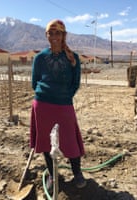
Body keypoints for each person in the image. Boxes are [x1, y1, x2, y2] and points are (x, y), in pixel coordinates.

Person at [29, 19, 87, 191]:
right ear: (47, 35)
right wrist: (45, 94)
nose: (54, 36)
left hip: (64, 106)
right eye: (51, 33)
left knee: (70, 141)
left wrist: (64, 97)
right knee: (47, 143)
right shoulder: (40, 58)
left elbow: (75, 83)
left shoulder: (73, 58)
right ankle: (53, 176)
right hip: (43, 105)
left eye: (58, 33)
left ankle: (77, 173)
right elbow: (35, 82)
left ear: (64, 35)